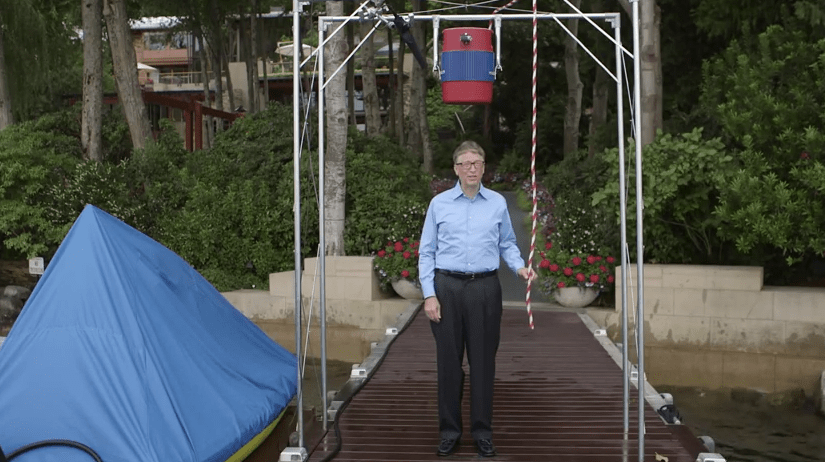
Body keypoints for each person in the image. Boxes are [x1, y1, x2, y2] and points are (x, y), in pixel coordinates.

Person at [418, 140, 534, 458]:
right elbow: (426, 253)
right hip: (447, 288)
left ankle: (482, 432)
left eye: (477, 163)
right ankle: (449, 432)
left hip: (485, 289)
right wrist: (429, 294)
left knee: (483, 363)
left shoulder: (497, 204)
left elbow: (508, 243)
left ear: (484, 168)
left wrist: (520, 267)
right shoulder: (439, 204)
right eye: (465, 163)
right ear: (456, 169)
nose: (471, 168)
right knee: (449, 365)